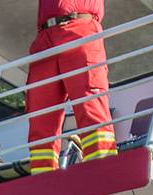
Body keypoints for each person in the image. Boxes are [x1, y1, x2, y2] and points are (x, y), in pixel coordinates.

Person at [26, 0, 115, 175]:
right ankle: (43, 177)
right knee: (40, 115)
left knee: (90, 104)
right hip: (44, 38)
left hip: (81, 26)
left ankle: (103, 167)